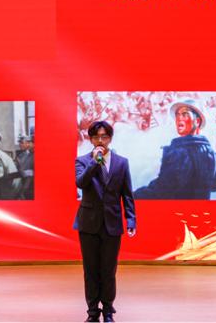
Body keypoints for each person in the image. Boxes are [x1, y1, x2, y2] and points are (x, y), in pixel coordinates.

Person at [74, 121, 136, 323]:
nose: (100, 141)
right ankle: (93, 312)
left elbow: (127, 194)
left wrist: (131, 219)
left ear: (110, 138)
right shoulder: (82, 161)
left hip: (112, 222)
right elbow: (81, 182)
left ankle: (108, 311)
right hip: (88, 223)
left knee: (109, 271)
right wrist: (94, 162)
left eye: (104, 137)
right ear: (90, 139)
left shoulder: (122, 162)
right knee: (91, 271)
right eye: (96, 137)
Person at [134, 100, 216, 199]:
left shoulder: (180, 152)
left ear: (197, 121)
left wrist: (132, 197)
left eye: (185, 114)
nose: (179, 118)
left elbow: (163, 189)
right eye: (177, 115)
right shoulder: (208, 151)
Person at [15, 133, 35, 200]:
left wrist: (29, 172)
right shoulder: (24, 155)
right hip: (22, 180)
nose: (20, 145)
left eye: (22, 143)